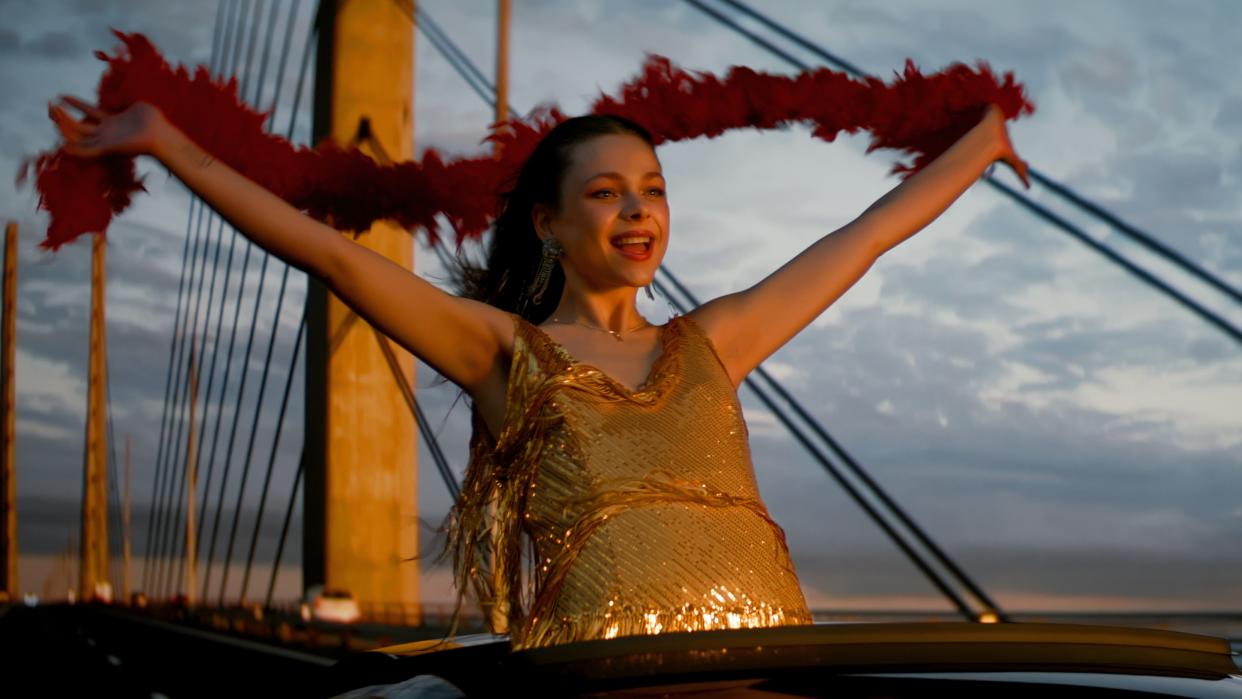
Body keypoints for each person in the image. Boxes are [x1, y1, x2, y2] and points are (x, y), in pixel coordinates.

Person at [47, 94, 1029, 653]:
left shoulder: (714, 343)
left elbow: (867, 237)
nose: (639, 211)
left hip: (768, 673)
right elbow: (334, 258)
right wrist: (168, 143)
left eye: (652, 190)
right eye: (606, 194)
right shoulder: (504, 354)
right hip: (596, 693)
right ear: (549, 225)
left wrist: (981, 141)